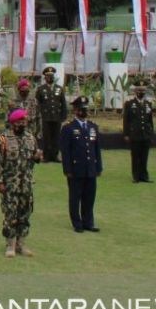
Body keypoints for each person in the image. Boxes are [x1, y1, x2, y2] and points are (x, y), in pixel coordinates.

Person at [0, 109, 41, 258]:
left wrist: (38, 157)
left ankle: (21, 243)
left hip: (26, 183)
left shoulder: (30, 138)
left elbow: (34, 157)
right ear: (13, 123)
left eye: (24, 121)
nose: (23, 124)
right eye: (19, 122)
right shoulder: (3, 138)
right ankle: (10, 244)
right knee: (10, 214)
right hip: (10, 184)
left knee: (25, 213)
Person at [61, 96, 102, 233]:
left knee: (89, 197)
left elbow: (96, 149)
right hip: (76, 168)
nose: (84, 112)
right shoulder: (68, 128)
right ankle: (77, 223)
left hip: (90, 168)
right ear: (75, 110)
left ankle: (88, 222)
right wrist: (67, 169)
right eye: (81, 109)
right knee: (75, 197)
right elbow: (65, 151)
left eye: (85, 109)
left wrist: (98, 166)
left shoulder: (92, 127)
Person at [123, 83, 155, 183]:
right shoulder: (129, 104)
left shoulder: (148, 104)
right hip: (134, 134)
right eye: (139, 91)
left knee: (144, 156)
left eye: (143, 91)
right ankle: (136, 176)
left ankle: (144, 176)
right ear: (135, 92)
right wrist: (126, 134)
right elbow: (126, 120)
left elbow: (150, 120)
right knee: (135, 156)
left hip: (145, 134)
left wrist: (151, 133)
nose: (141, 93)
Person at [35, 67, 67, 162]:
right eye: (48, 76)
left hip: (57, 117)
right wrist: (38, 115)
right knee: (47, 138)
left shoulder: (59, 89)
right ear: (45, 77)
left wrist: (63, 116)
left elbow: (63, 104)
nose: (50, 77)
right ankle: (46, 156)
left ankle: (56, 156)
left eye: (51, 76)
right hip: (46, 117)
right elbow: (37, 104)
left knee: (56, 137)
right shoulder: (41, 89)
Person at [8, 79, 40, 146]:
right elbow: (9, 117)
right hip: (16, 130)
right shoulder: (13, 101)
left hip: (31, 130)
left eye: (27, 89)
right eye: (23, 89)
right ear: (19, 89)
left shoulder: (34, 101)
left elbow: (38, 116)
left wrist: (39, 131)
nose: (25, 91)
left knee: (30, 149)